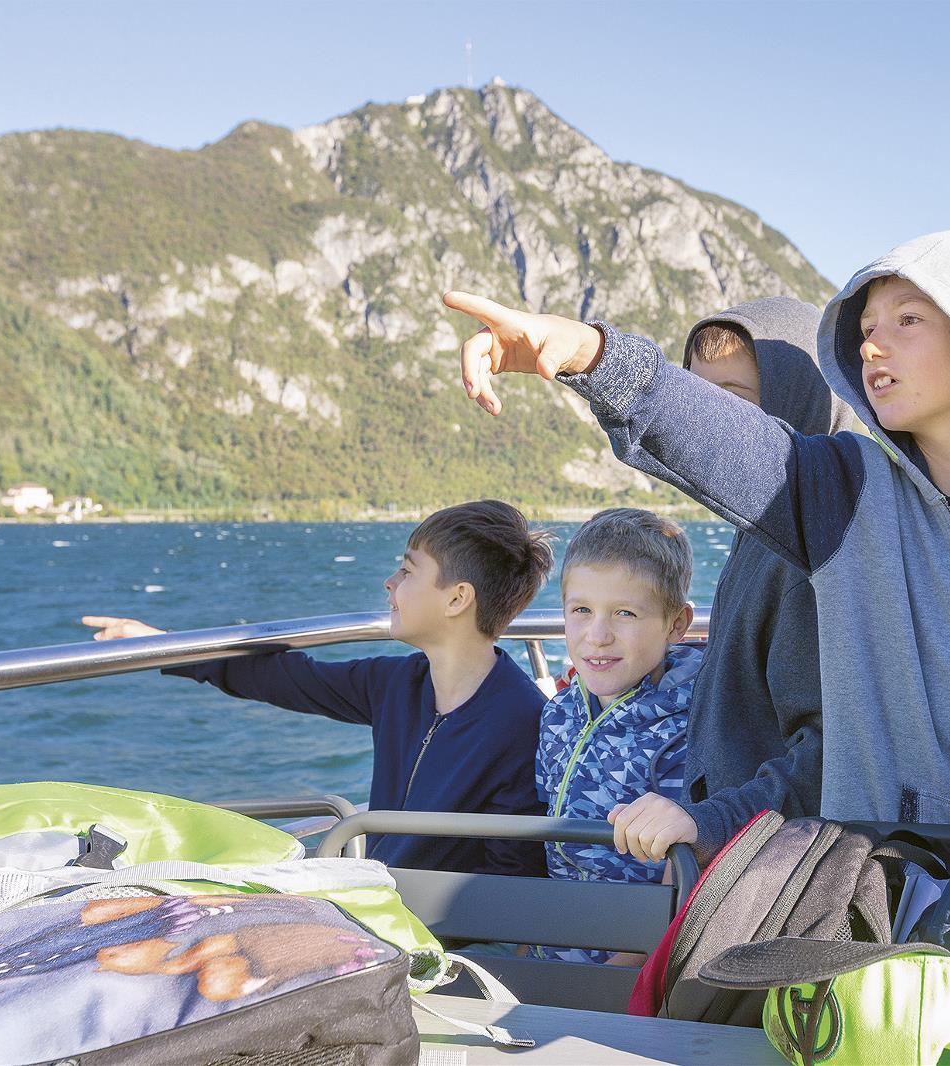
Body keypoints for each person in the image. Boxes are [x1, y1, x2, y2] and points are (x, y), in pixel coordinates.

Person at [442, 228, 950, 869]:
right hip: (894, 887)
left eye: (909, 321)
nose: (872, 346)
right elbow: (710, 435)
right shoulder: (838, 489)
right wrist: (586, 353)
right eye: (866, 328)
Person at [82, 499, 554, 877]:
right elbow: (286, 678)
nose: (390, 583)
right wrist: (168, 646)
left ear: (457, 598)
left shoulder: (520, 720)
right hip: (375, 896)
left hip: (437, 930)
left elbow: (510, 875)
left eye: (407, 571)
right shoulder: (398, 684)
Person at [608, 298, 861, 865]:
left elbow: (830, 757)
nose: (706, 420)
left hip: (770, 868)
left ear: (801, 394)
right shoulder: (764, 530)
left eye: (732, 399)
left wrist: (711, 821)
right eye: (696, 397)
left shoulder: (807, 560)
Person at [535, 507, 699, 963]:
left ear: (676, 624)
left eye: (625, 613)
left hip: (631, 964)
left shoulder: (690, 727)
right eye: (581, 610)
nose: (598, 635)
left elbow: (683, 876)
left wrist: (620, 976)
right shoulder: (558, 716)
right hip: (546, 945)